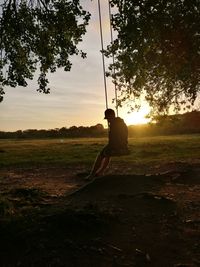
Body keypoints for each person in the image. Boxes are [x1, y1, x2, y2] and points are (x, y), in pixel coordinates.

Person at [86, 108, 129, 180]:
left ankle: (92, 175)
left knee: (101, 155)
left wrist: (115, 148)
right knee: (107, 154)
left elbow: (114, 138)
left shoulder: (115, 124)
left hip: (117, 146)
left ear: (112, 116)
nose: (107, 120)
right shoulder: (120, 122)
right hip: (123, 145)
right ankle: (100, 172)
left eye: (108, 118)